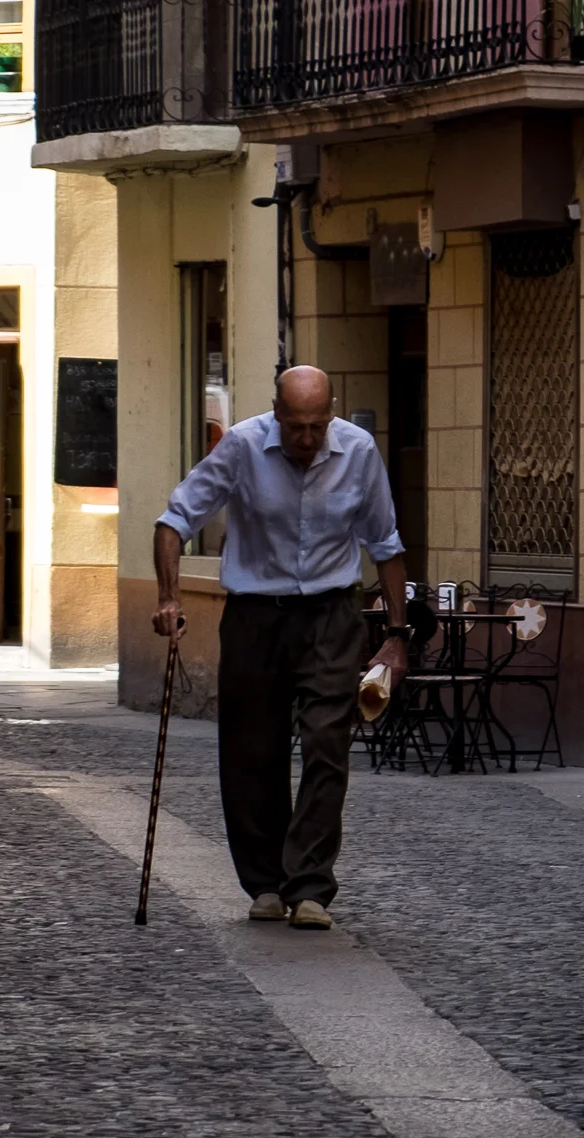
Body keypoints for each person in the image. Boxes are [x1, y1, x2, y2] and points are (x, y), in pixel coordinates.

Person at [152, 365, 409, 930]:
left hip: (331, 614)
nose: (307, 439)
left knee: (327, 744)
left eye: (318, 426)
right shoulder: (242, 446)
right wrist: (170, 597)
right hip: (254, 617)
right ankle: (265, 883)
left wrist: (395, 636)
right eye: (296, 426)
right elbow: (174, 521)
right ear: (276, 412)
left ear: (332, 412)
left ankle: (310, 886)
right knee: (252, 752)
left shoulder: (358, 451)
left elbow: (385, 545)